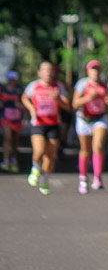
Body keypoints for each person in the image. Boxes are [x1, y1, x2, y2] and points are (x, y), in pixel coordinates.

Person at [22, 62, 71, 194]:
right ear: (40, 72)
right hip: (38, 124)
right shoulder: (34, 86)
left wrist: (58, 100)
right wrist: (31, 108)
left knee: (50, 156)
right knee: (39, 151)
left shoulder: (58, 86)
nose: (48, 73)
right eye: (45, 70)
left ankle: (45, 180)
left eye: (50, 70)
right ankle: (35, 168)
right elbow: (25, 98)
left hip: (53, 125)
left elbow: (67, 106)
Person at [72, 59, 108, 194]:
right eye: (92, 69)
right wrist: (88, 97)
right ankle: (83, 178)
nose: (95, 72)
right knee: (85, 149)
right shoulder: (83, 84)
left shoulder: (104, 84)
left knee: (98, 145)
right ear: (88, 71)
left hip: (100, 118)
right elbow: (75, 103)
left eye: (97, 69)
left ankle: (97, 177)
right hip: (84, 119)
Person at [1, 70, 26, 172]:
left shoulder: (19, 90)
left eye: (14, 80)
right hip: (5, 117)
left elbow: (24, 105)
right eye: (10, 80)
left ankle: (14, 161)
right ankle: (6, 161)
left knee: (15, 141)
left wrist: (24, 115)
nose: (12, 81)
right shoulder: (2, 89)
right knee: (8, 138)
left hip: (17, 118)